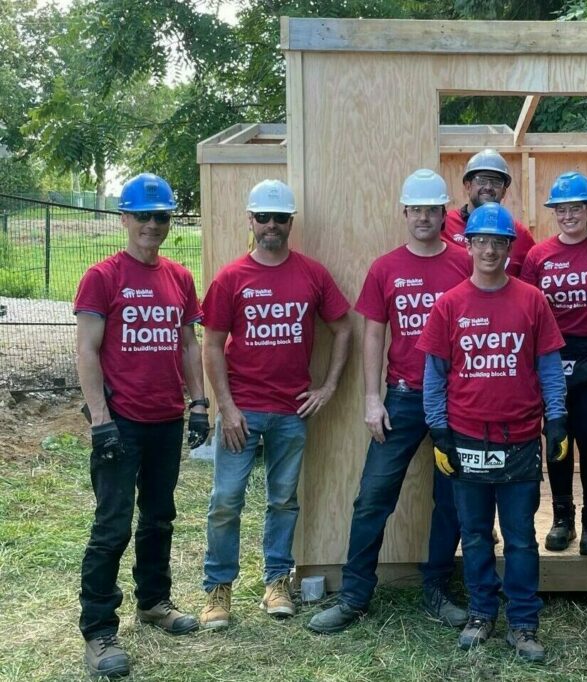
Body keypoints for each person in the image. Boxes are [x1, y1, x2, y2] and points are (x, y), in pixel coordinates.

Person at [306, 170, 471, 635]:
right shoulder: (386, 268)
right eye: (415, 209)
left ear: (444, 214)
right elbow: (373, 333)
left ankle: (437, 590)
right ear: (404, 213)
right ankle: (356, 595)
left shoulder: (463, 263)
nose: (423, 217)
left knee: (453, 499)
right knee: (373, 497)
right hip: (401, 397)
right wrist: (371, 398)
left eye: (431, 209)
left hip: (456, 402)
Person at [198, 179, 353, 629]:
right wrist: (225, 408)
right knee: (225, 501)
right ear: (250, 220)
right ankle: (217, 590)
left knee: (283, 500)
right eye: (263, 217)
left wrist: (327, 387)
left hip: (291, 411)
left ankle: (276, 582)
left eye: (279, 218)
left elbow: (345, 328)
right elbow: (211, 344)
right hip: (241, 413)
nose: (271, 226)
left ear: (290, 223)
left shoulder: (312, 273)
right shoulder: (232, 278)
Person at [417, 202, 567, 663]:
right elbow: (434, 376)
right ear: (468, 246)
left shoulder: (532, 300)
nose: (488, 249)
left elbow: (549, 368)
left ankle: (523, 621)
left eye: (497, 242)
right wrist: (439, 431)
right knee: (476, 533)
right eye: (480, 241)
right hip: (466, 438)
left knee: (520, 536)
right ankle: (482, 611)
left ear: (508, 247)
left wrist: (556, 419)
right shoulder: (450, 305)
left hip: (519, 438)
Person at [74, 172, 207, 678]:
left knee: (159, 517)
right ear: (124, 218)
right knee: (112, 526)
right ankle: (99, 629)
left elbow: (188, 343)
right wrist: (100, 421)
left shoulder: (178, 276)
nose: (153, 225)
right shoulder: (103, 276)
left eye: (162, 216)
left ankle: (153, 602)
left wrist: (199, 404)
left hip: (165, 420)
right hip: (121, 422)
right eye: (143, 216)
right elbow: (87, 351)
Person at [520, 171, 587, 555]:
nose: (568, 215)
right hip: (552, 357)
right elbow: (525, 309)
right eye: (561, 209)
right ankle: (561, 520)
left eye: (576, 208)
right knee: (556, 440)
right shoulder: (539, 255)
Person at [441, 148, 536, 277]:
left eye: (496, 182)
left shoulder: (519, 234)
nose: (488, 187)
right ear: (468, 186)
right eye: (481, 180)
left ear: (503, 191)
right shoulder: (445, 226)